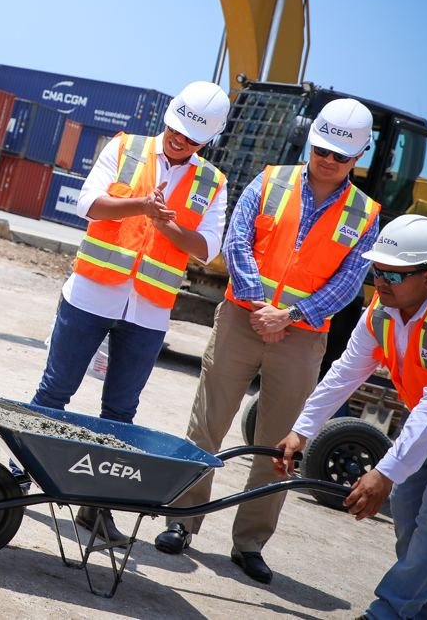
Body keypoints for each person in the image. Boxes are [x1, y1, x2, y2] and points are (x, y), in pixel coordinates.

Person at [155, 97, 383, 584]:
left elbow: (348, 282)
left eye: (339, 156)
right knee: (207, 421)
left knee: (280, 447)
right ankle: (182, 521)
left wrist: (292, 314)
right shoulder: (271, 179)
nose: (327, 159)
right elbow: (238, 241)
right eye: (322, 148)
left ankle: (250, 543)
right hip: (243, 317)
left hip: (301, 337)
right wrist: (261, 306)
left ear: (357, 157)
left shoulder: (366, 214)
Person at [274, 215, 427, 620]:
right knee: (408, 516)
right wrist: (302, 430)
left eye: (394, 275)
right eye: (377, 270)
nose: (381, 281)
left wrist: (383, 472)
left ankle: (388, 611)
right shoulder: (381, 313)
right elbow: (345, 373)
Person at [24, 81, 230, 541]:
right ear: (169, 118)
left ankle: (96, 509)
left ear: (207, 140)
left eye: (191, 139)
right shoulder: (126, 147)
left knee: (120, 415)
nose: (180, 141)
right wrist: (141, 205)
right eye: (176, 131)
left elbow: (206, 247)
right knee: (54, 392)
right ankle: (20, 481)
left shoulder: (212, 182)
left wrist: (168, 223)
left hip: (149, 311)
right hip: (92, 293)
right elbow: (87, 204)